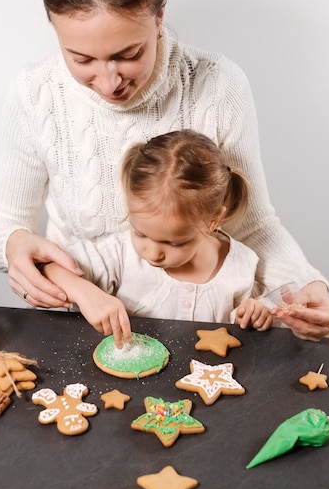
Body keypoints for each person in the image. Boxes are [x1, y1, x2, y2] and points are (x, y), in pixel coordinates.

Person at [0, 0, 329, 342]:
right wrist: (15, 247)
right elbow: (0, 221)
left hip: (193, 329)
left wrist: (305, 284)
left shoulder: (219, 85)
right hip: (78, 321)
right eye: (81, 59)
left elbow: (251, 224)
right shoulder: (35, 92)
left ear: (160, 14)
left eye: (128, 54)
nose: (109, 83)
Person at [41, 130, 273, 346]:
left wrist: (254, 314)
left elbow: (239, 330)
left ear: (213, 220)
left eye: (173, 243)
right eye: (140, 233)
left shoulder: (241, 266)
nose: (153, 253)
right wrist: (86, 294)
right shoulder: (120, 254)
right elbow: (47, 267)